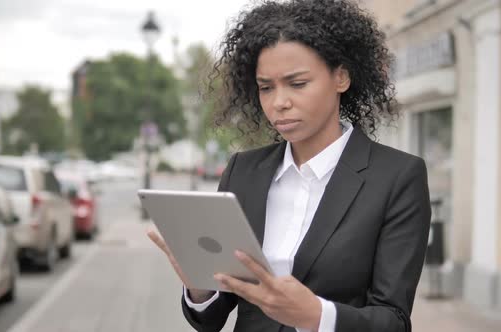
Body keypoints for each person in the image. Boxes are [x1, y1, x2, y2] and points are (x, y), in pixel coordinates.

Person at [147, 0, 431, 331]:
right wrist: (198, 287)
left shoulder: (397, 177)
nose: (279, 102)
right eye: (266, 87)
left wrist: (316, 315)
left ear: (340, 77)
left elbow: (393, 321)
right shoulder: (244, 171)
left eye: (297, 84)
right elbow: (211, 318)